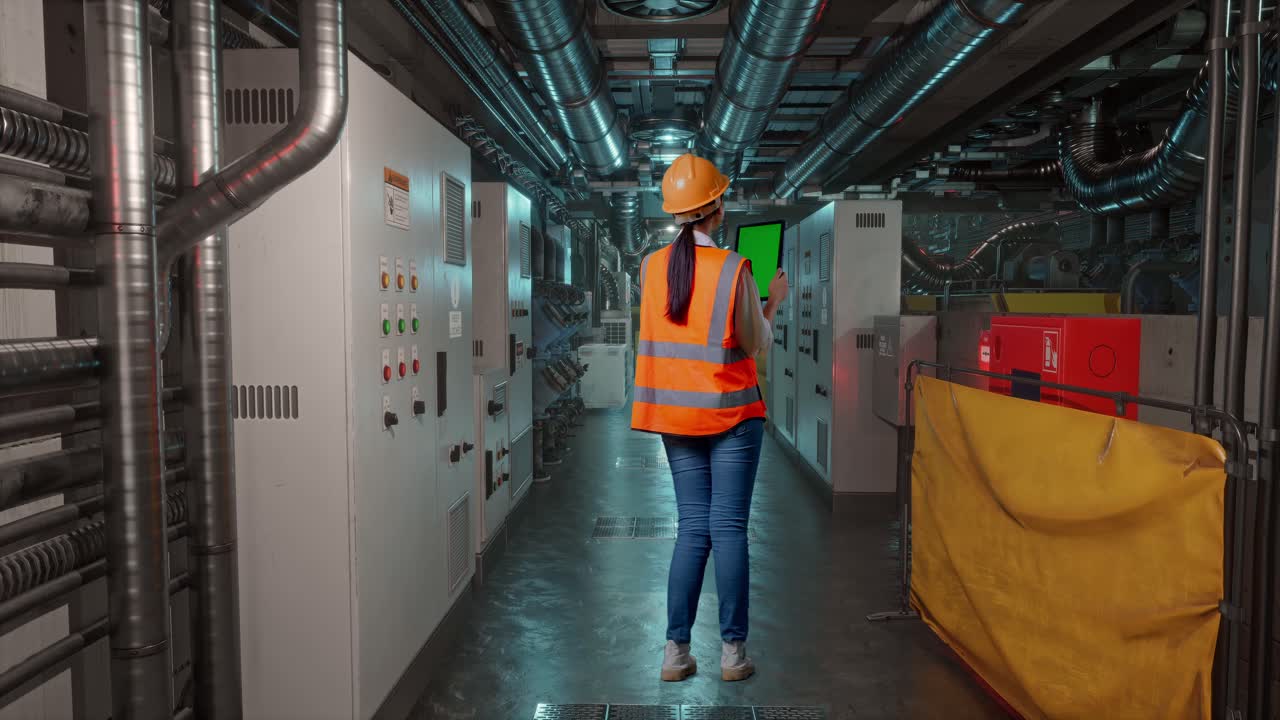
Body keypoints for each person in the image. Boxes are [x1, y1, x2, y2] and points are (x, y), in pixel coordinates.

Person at [631, 153, 789, 683]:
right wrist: (774, 303)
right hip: (732, 417)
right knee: (729, 529)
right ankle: (732, 655)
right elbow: (755, 343)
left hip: (678, 422)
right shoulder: (733, 268)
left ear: (678, 213)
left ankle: (675, 653)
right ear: (716, 208)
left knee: (692, 530)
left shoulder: (652, 269)